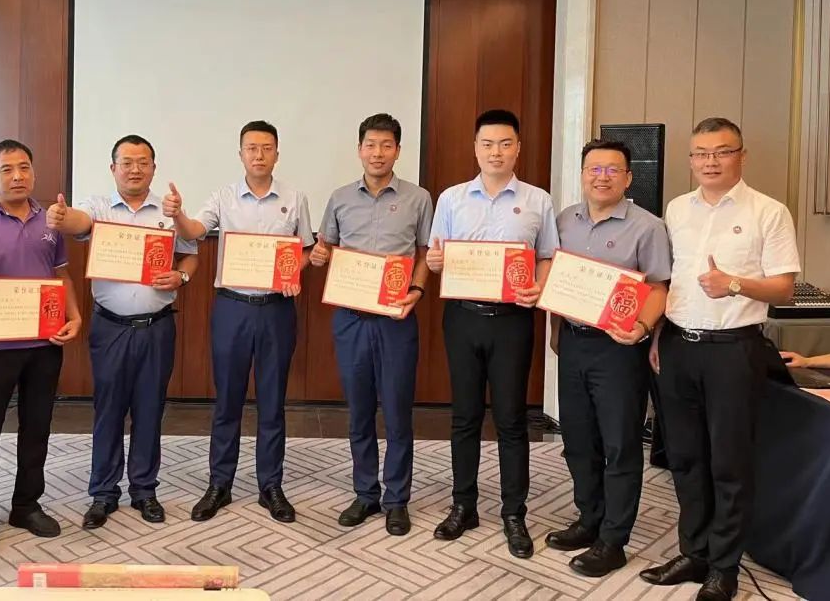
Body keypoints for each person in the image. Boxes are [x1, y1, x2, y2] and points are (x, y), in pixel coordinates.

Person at [642, 118, 799, 601]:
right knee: (685, 457)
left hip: (733, 348)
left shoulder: (768, 212)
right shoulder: (676, 209)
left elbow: (785, 290)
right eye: (701, 153)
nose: (710, 161)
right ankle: (694, 552)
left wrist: (733, 283)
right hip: (678, 345)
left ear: (741, 155)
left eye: (721, 151)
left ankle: (724, 567)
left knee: (729, 461)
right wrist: (658, 334)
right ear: (691, 159)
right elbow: (672, 281)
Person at [163, 121, 314, 524]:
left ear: (277, 153)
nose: (259, 155)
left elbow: (305, 250)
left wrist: (293, 272)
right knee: (227, 400)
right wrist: (178, 215)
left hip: (276, 309)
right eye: (251, 148)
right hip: (232, 308)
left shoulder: (295, 198)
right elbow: (195, 230)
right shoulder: (223, 196)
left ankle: (271, 486)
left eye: (266, 148)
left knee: (272, 401)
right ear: (241, 154)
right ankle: (220, 483)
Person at [425, 109, 558, 559]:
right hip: (463, 317)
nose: (495, 152)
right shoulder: (452, 198)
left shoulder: (538, 200)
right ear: (475, 148)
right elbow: (436, 255)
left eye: (504, 144)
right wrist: (435, 263)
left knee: (511, 419)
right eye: (487, 144)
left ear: (518, 148)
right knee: (464, 416)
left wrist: (539, 285)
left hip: (512, 320)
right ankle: (463, 505)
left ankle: (514, 513)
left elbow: (547, 255)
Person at [46, 135, 198, 527]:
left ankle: (144, 490)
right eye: (127, 162)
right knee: (108, 410)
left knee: (150, 409)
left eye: (143, 162)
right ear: (113, 168)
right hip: (110, 327)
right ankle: (103, 492)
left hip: (157, 327)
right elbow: (79, 221)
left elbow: (191, 256)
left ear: (154, 168)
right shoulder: (99, 207)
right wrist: (63, 217)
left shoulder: (168, 212)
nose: (135, 169)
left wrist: (180, 276)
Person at [544, 139, 670, 576]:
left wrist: (642, 328)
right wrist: (556, 331)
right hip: (574, 343)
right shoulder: (565, 220)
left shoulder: (647, 227)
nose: (602, 177)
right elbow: (557, 280)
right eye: (594, 169)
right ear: (582, 175)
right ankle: (589, 518)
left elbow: (659, 287)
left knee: (619, 444)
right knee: (578, 440)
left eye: (612, 169)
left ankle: (614, 540)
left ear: (628, 177)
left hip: (619, 347)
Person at [0, 139, 82, 558]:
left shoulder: (50, 220)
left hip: (44, 341)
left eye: (24, 167)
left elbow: (60, 275)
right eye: (6, 169)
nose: (17, 176)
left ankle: (26, 505)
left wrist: (74, 315)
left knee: (37, 426)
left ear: (34, 173)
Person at [310, 113, 432, 536]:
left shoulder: (419, 198)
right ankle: (365, 493)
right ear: (359, 149)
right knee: (359, 411)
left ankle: (397, 499)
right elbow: (325, 248)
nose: (377, 153)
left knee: (397, 411)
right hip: (351, 320)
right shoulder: (340, 198)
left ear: (397, 150)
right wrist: (319, 256)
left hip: (397, 319)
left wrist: (417, 289)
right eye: (370, 145)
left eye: (386, 145)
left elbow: (424, 253)